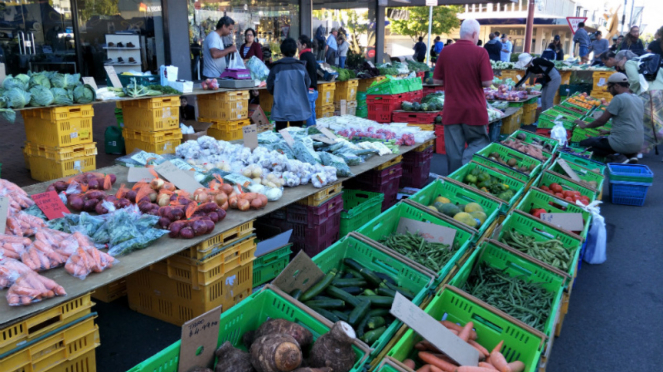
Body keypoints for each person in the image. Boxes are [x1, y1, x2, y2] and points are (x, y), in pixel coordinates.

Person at [433, 19, 493, 173]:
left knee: (453, 153)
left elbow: (436, 80)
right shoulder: (480, 52)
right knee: (479, 141)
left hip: (452, 110)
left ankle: (453, 183)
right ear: (474, 34)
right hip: (474, 110)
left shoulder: (446, 51)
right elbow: (487, 82)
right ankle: (467, 168)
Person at [574, 73, 643, 163]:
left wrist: (585, 126)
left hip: (623, 143)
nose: (609, 91)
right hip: (638, 145)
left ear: (616, 86)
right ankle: (630, 155)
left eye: (609, 87)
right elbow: (631, 122)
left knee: (586, 144)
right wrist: (608, 132)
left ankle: (619, 156)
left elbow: (601, 121)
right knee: (603, 141)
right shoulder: (638, 99)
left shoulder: (619, 98)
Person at [267, 38, 311, 131]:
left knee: (282, 138)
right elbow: (307, 84)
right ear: (295, 51)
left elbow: (270, 87)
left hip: (281, 107)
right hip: (298, 107)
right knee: (296, 137)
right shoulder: (301, 67)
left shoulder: (276, 68)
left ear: (282, 51)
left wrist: (278, 92)